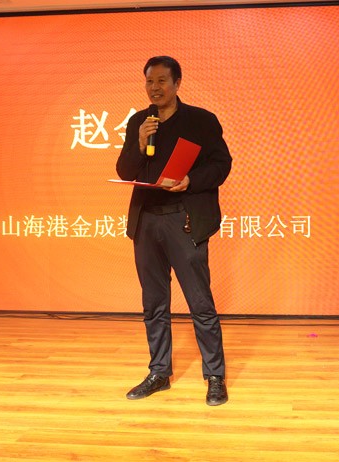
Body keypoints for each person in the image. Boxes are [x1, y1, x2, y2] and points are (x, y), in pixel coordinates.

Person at [116, 56, 232, 406]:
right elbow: (125, 171)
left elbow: (222, 164)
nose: (155, 88)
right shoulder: (140, 122)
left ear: (177, 83)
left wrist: (191, 180)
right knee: (153, 303)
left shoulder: (201, 120)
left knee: (200, 303)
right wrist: (139, 144)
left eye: (162, 81)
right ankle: (159, 373)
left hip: (184, 219)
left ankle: (215, 376)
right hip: (147, 221)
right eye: (150, 81)